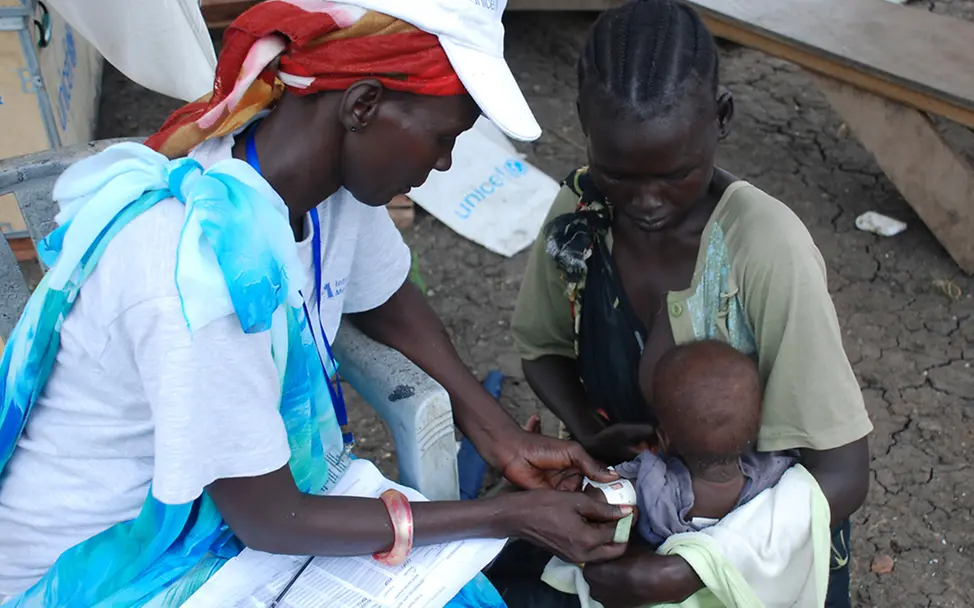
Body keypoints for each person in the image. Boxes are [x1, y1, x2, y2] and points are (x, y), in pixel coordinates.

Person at [0, 1, 634, 605]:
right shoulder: (202, 272)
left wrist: (498, 437)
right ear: (363, 104)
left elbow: (388, 301)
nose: (444, 164)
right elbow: (274, 520)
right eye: (444, 137)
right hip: (108, 562)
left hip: (216, 523)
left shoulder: (320, 186)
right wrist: (504, 517)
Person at [501, 0, 872, 606]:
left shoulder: (766, 250)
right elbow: (541, 349)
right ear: (584, 126)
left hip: (758, 534)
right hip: (635, 504)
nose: (645, 202)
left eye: (675, 173)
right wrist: (591, 442)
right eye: (618, 173)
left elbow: (842, 475)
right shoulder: (580, 212)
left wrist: (695, 569)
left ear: (721, 119)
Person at [603, 340, 797, 546]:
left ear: (664, 439)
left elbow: (606, 495)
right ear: (759, 424)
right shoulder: (780, 473)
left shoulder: (653, 483)